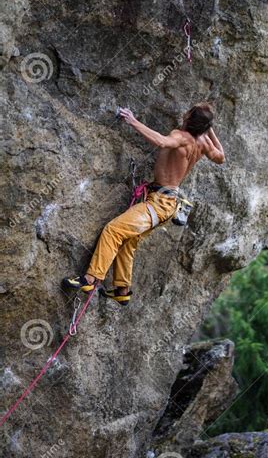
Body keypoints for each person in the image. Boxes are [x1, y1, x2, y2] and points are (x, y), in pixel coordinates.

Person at [62, 102, 225, 306]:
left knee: (113, 231)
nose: (185, 112)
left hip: (159, 202)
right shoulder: (203, 143)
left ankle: (90, 279)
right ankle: (122, 289)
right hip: (167, 203)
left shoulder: (181, 137)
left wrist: (133, 121)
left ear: (189, 118)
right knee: (129, 240)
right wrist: (209, 130)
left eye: (189, 111)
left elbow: (162, 142)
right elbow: (221, 157)